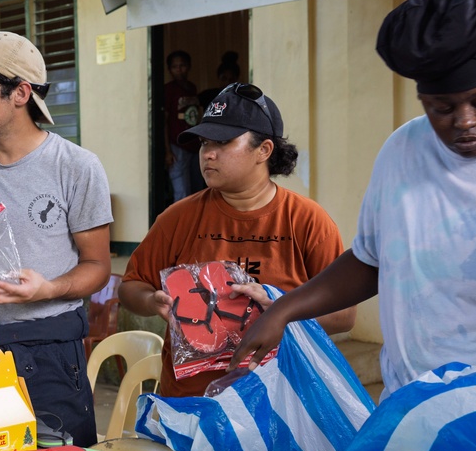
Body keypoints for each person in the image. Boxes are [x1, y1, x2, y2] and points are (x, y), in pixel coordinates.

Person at [234, 0, 476, 401]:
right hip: (412, 405)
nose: (464, 122)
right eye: (441, 108)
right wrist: (285, 310)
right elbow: (372, 260)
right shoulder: (402, 149)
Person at [0, 31, 113, 446]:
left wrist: (49, 288)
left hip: (48, 353)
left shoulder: (76, 167)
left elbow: (98, 267)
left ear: (20, 93)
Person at [120, 83, 355, 397]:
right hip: (192, 404)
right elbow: (130, 287)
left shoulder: (308, 222)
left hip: (282, 402)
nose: (208, 154)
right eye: (204, 143)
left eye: (222, 142)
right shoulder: (177, 219)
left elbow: (344, 315)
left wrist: (279, 311)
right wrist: (152, 301)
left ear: (264, 150)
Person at [164, 50, 201, 202]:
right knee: (182, 193)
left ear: (189, 66)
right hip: (177, 146)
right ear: (170, 70)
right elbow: (164, 121)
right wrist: (167, 151)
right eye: (175, 67)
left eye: (182, 65)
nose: (179, 70)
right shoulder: (168, 90)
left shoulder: (192, 88)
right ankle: (182, 225)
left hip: (194, 144)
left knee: (197, 189)